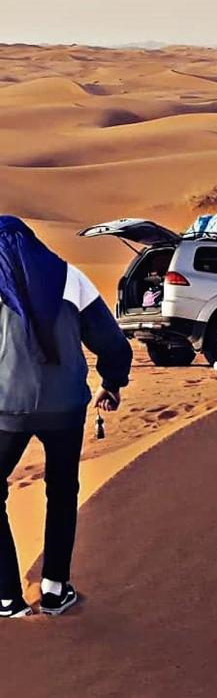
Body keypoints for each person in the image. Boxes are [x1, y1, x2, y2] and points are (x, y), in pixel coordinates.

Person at [0, 216, 131, 619]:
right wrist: (112, 382)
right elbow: (112, 341)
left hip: (8, 408)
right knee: (61, 490)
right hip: (66, 408)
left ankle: (6, 597)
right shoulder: (70, 277)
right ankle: (56, 589)